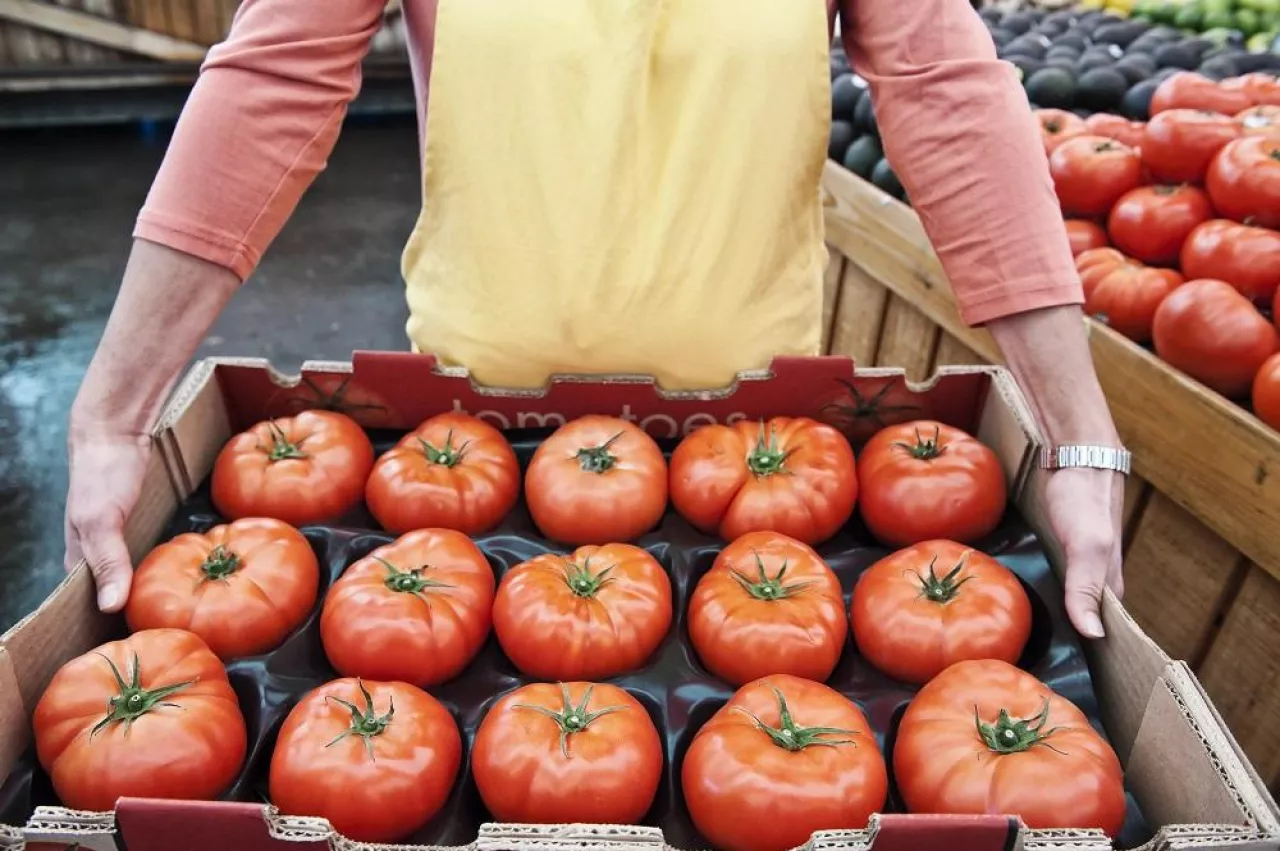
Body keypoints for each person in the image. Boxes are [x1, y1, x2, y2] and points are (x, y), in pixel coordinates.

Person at [65, 0, 1127, 637]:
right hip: (466, 441)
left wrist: (1076, 433)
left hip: (761, 447)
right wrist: (115, 413)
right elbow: (272, 82)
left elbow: (945, 95)